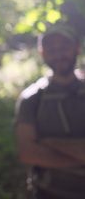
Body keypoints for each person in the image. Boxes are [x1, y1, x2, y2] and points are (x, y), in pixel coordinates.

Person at [15, 24, 85, 199]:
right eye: (51, 49)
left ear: (77, 48)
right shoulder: (31, 98)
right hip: (49, 193)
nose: (59, 54)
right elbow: (27, 153)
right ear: (42, 53)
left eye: (64, 47)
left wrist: (50, 143)